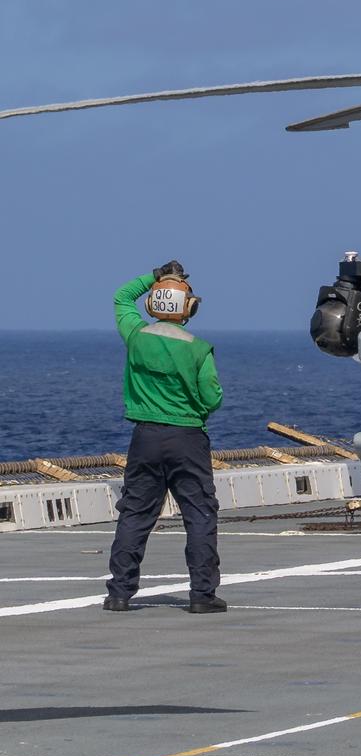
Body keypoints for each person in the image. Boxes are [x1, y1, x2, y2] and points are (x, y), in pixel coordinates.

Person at [104, 261, 225, 613]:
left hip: (144, 437)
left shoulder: (136, 336)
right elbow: (212, 397)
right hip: (188, 437)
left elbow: (121, 297)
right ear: (189, 308)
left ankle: (120, 593)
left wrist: (155, 276)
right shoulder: (198, 348)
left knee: (135, 513)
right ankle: (202, 595)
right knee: (199, 514)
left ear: (153, 304)